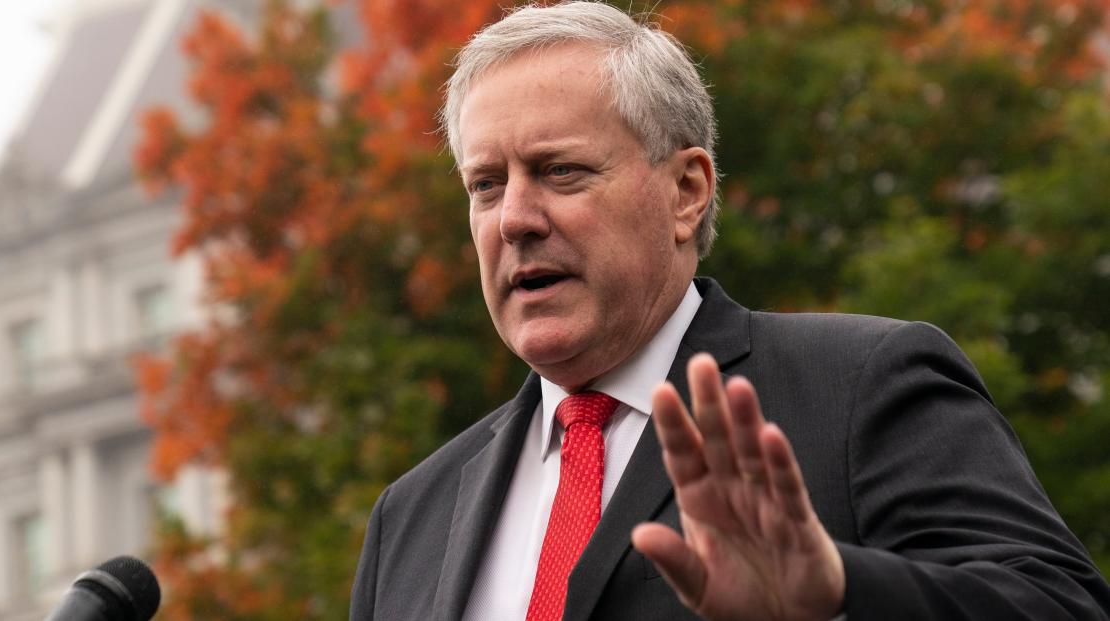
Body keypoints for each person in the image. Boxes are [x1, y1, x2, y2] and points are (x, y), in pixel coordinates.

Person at [350, 2, 1110, 619]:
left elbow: (1060, 604)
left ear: (686, 191)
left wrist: (843, 591)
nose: (514, 217)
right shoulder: (410, 516)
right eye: (486, 184)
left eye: (560, 170)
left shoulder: (860, 387)